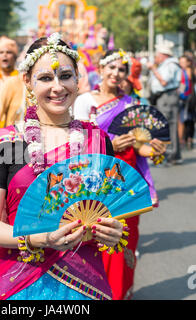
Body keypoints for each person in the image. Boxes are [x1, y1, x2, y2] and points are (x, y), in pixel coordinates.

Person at [0, 33, 127, 300]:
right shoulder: (7, 143)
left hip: (85, 283)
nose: (58, 87)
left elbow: (111, 211)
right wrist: (38, 239)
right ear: (28, 82)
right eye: (45, 78)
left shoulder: (97, 140)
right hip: (22, 282)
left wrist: (112, 232)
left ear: (77, 79)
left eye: (65, 76)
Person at [74, 49, 166, 300]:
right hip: (95, 180)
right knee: (100, 238)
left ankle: (121, 291)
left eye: (121, 69)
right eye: (111, 68)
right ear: (101, 70)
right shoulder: (84, 102)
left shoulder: (132, 104)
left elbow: (139, 145)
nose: (116, 73)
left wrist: (154, 150)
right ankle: (100, 292)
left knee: (126, 238)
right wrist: (110, 146)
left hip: (129, 180)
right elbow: (78, 145)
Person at [147, 41, 182, 165]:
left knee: (169, 126)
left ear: (163, 55)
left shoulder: (170, 65)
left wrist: (153, 69)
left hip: (167, 96)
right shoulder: (166, 64)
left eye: (158, 55)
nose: (156, 57)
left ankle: (172, 154)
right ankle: (171, 154)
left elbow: (164, 82)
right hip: (164, 97)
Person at [178, 55, 196, 150]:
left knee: (191, 119)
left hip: (191, 98)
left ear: (189, 62)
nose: (182, 64)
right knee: (182, 119)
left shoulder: (192, 71)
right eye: (180, 62)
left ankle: (189, 138)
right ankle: (182, 139)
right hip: (182, 97)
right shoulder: (180, 71)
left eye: (183, 62)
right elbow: (181, 85)